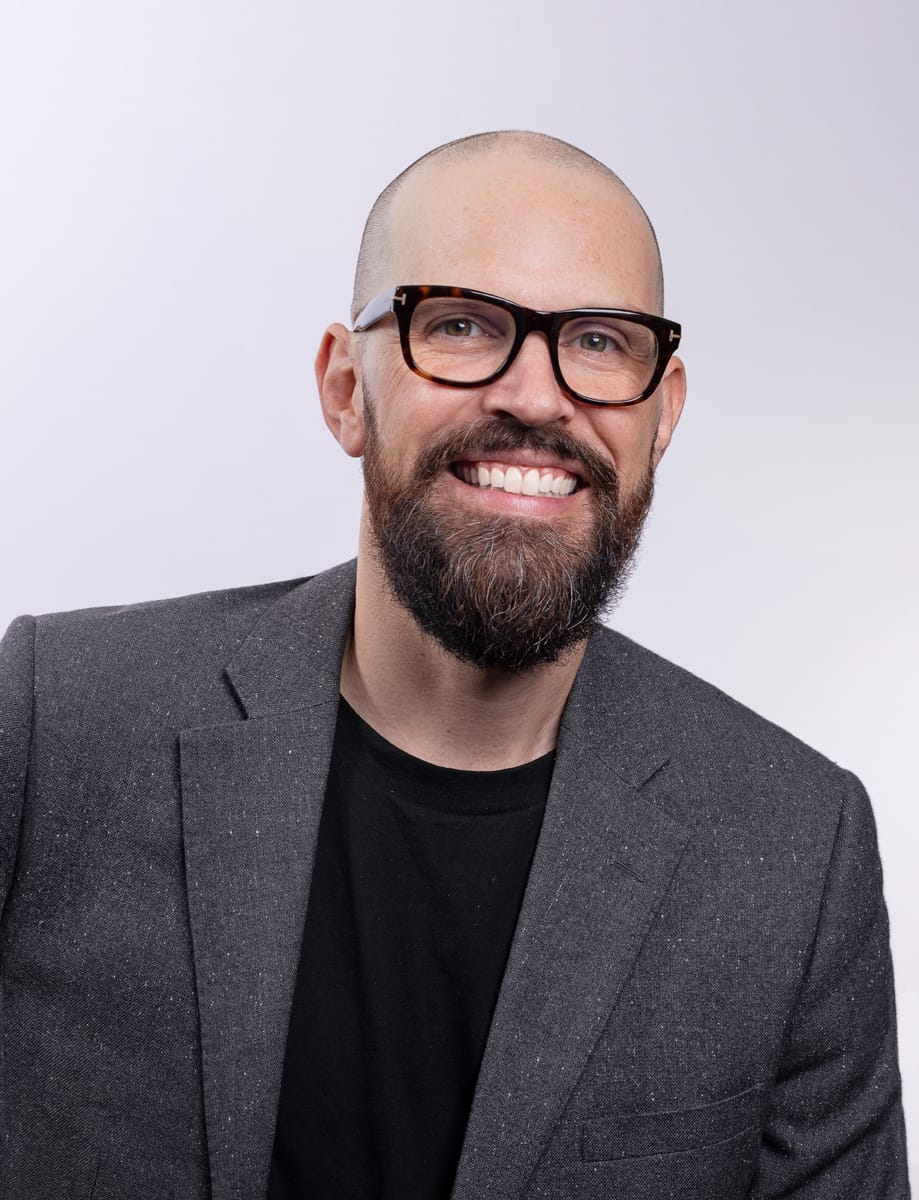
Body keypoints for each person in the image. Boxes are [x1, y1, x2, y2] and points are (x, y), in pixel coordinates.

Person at [0, 131, 908, 1200]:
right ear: (346, 388)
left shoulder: (795, 848)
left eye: (599, 341)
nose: (535, 397)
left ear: (662, 414)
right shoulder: (55, 720)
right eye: (462, 325)